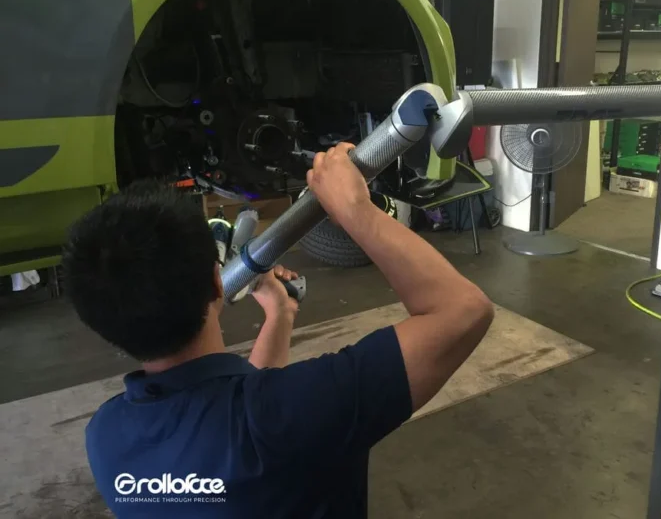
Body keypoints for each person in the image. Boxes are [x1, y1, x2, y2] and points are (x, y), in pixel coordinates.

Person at [64, 143, 494, 518]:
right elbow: (462, 311)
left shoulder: (106, 436)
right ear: (218, 282)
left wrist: (279, 315)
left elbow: (236, 425)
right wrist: (352, 208)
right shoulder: (293, 414)